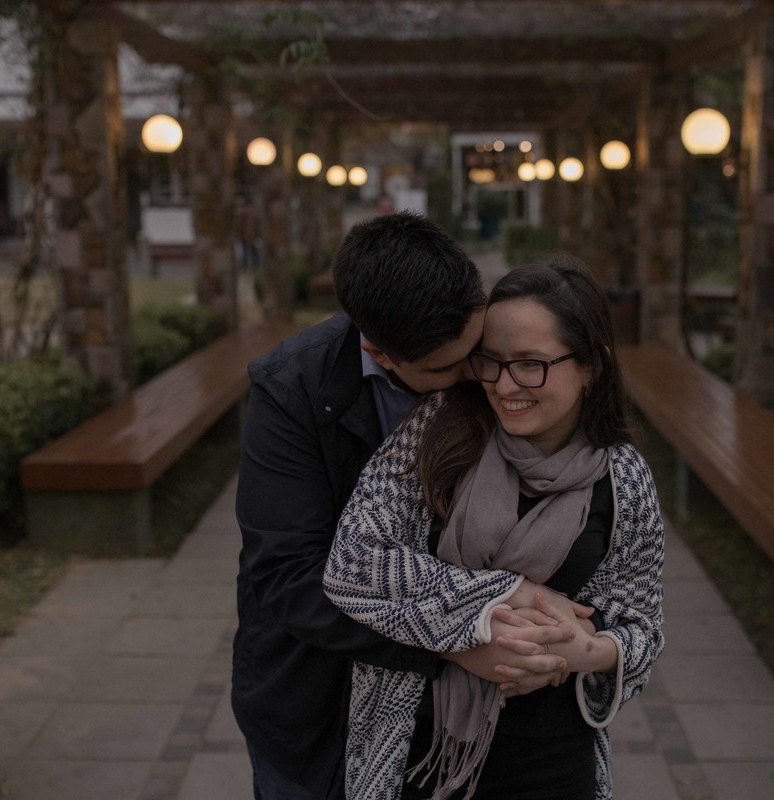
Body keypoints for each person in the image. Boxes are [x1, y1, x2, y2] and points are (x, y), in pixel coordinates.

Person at [232, 213, 576, 800]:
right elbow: (288, 577)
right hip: (315, 707)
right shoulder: (291, 391)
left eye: (479, 351)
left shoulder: (489, 360)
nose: (479, 376)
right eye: (448, 367)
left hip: (445, 728)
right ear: (380, 353)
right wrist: (459, 637)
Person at [324, 257, 666, 800]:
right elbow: (353, 563)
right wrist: (498, 601)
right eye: (491, 362)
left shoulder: (622, 476)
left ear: (592, 365)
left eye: (530, 364)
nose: (505, 386)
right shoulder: (437, 434)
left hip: (555, 763)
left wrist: (586, 653)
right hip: (419, 756)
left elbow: (642, 622)